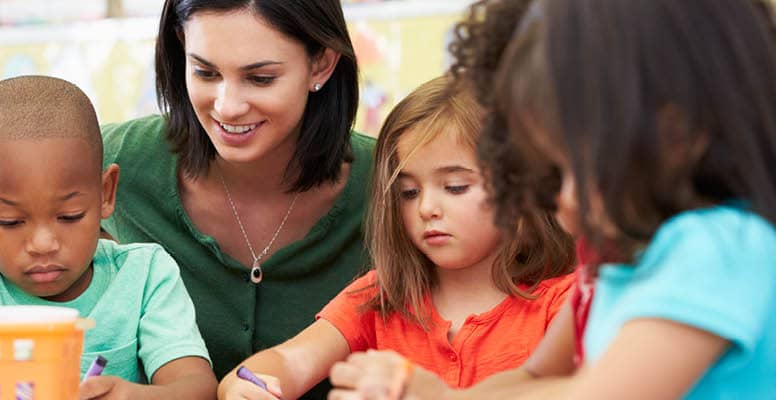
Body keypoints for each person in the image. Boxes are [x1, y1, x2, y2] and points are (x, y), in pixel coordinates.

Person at [329, 0, 776, 398]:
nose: (559, 203)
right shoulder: (611, 255)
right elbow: (537, 377)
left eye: (568, 172)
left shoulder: (720, 248)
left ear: (674, 136)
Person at [218, 75, 576, 400]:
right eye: (408, 192)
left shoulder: (565, 304)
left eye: (454, 187)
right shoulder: (380, 296)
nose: (426, 209)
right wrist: (245, 384)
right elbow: (291, 361)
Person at [100, 1, 374, 396]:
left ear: (321, 64)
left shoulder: (397, 181)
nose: (227, 105)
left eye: (260, 78)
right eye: (205, 72)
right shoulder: (118, 162)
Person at [0, 75, 216, 400]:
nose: (44, 244)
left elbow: (197, 388)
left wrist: (133, 397)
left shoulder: (145, 276)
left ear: (106, 193)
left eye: (69, 216)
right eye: (11, 221)